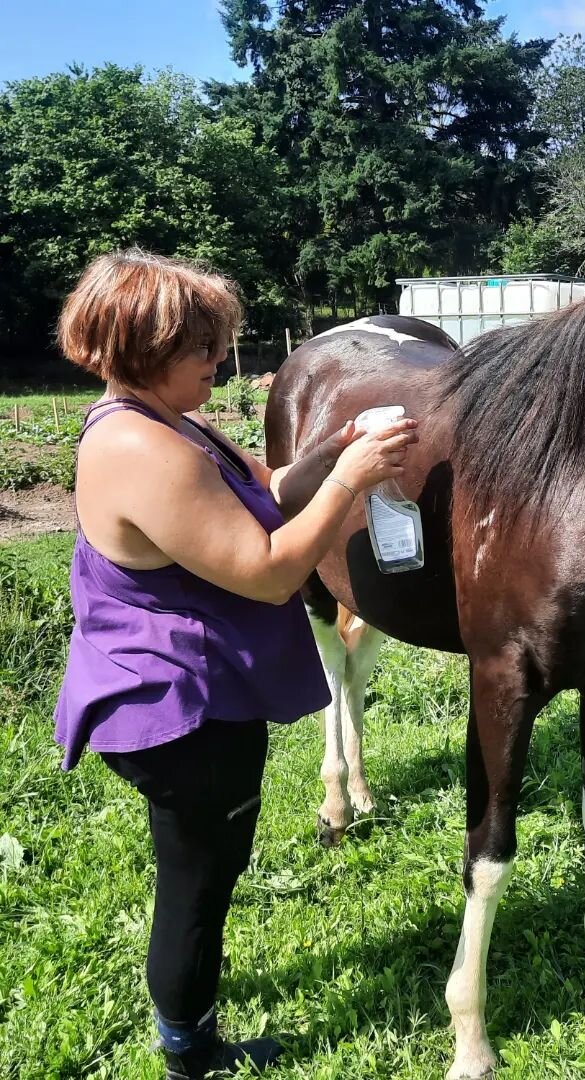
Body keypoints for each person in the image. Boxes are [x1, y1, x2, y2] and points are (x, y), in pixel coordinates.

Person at [52, 250, 417, 1080]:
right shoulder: (140, 451)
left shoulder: (174, 423)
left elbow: (272, 486)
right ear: (147, 349)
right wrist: (354, 481)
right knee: (197, 885)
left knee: (208, 867)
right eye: (205, 348)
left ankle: (187, 1019)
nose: (222, 362)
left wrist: (334, 450)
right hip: (175, 710)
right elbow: (270, 568)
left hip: (194, 691)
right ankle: (191, 1051)